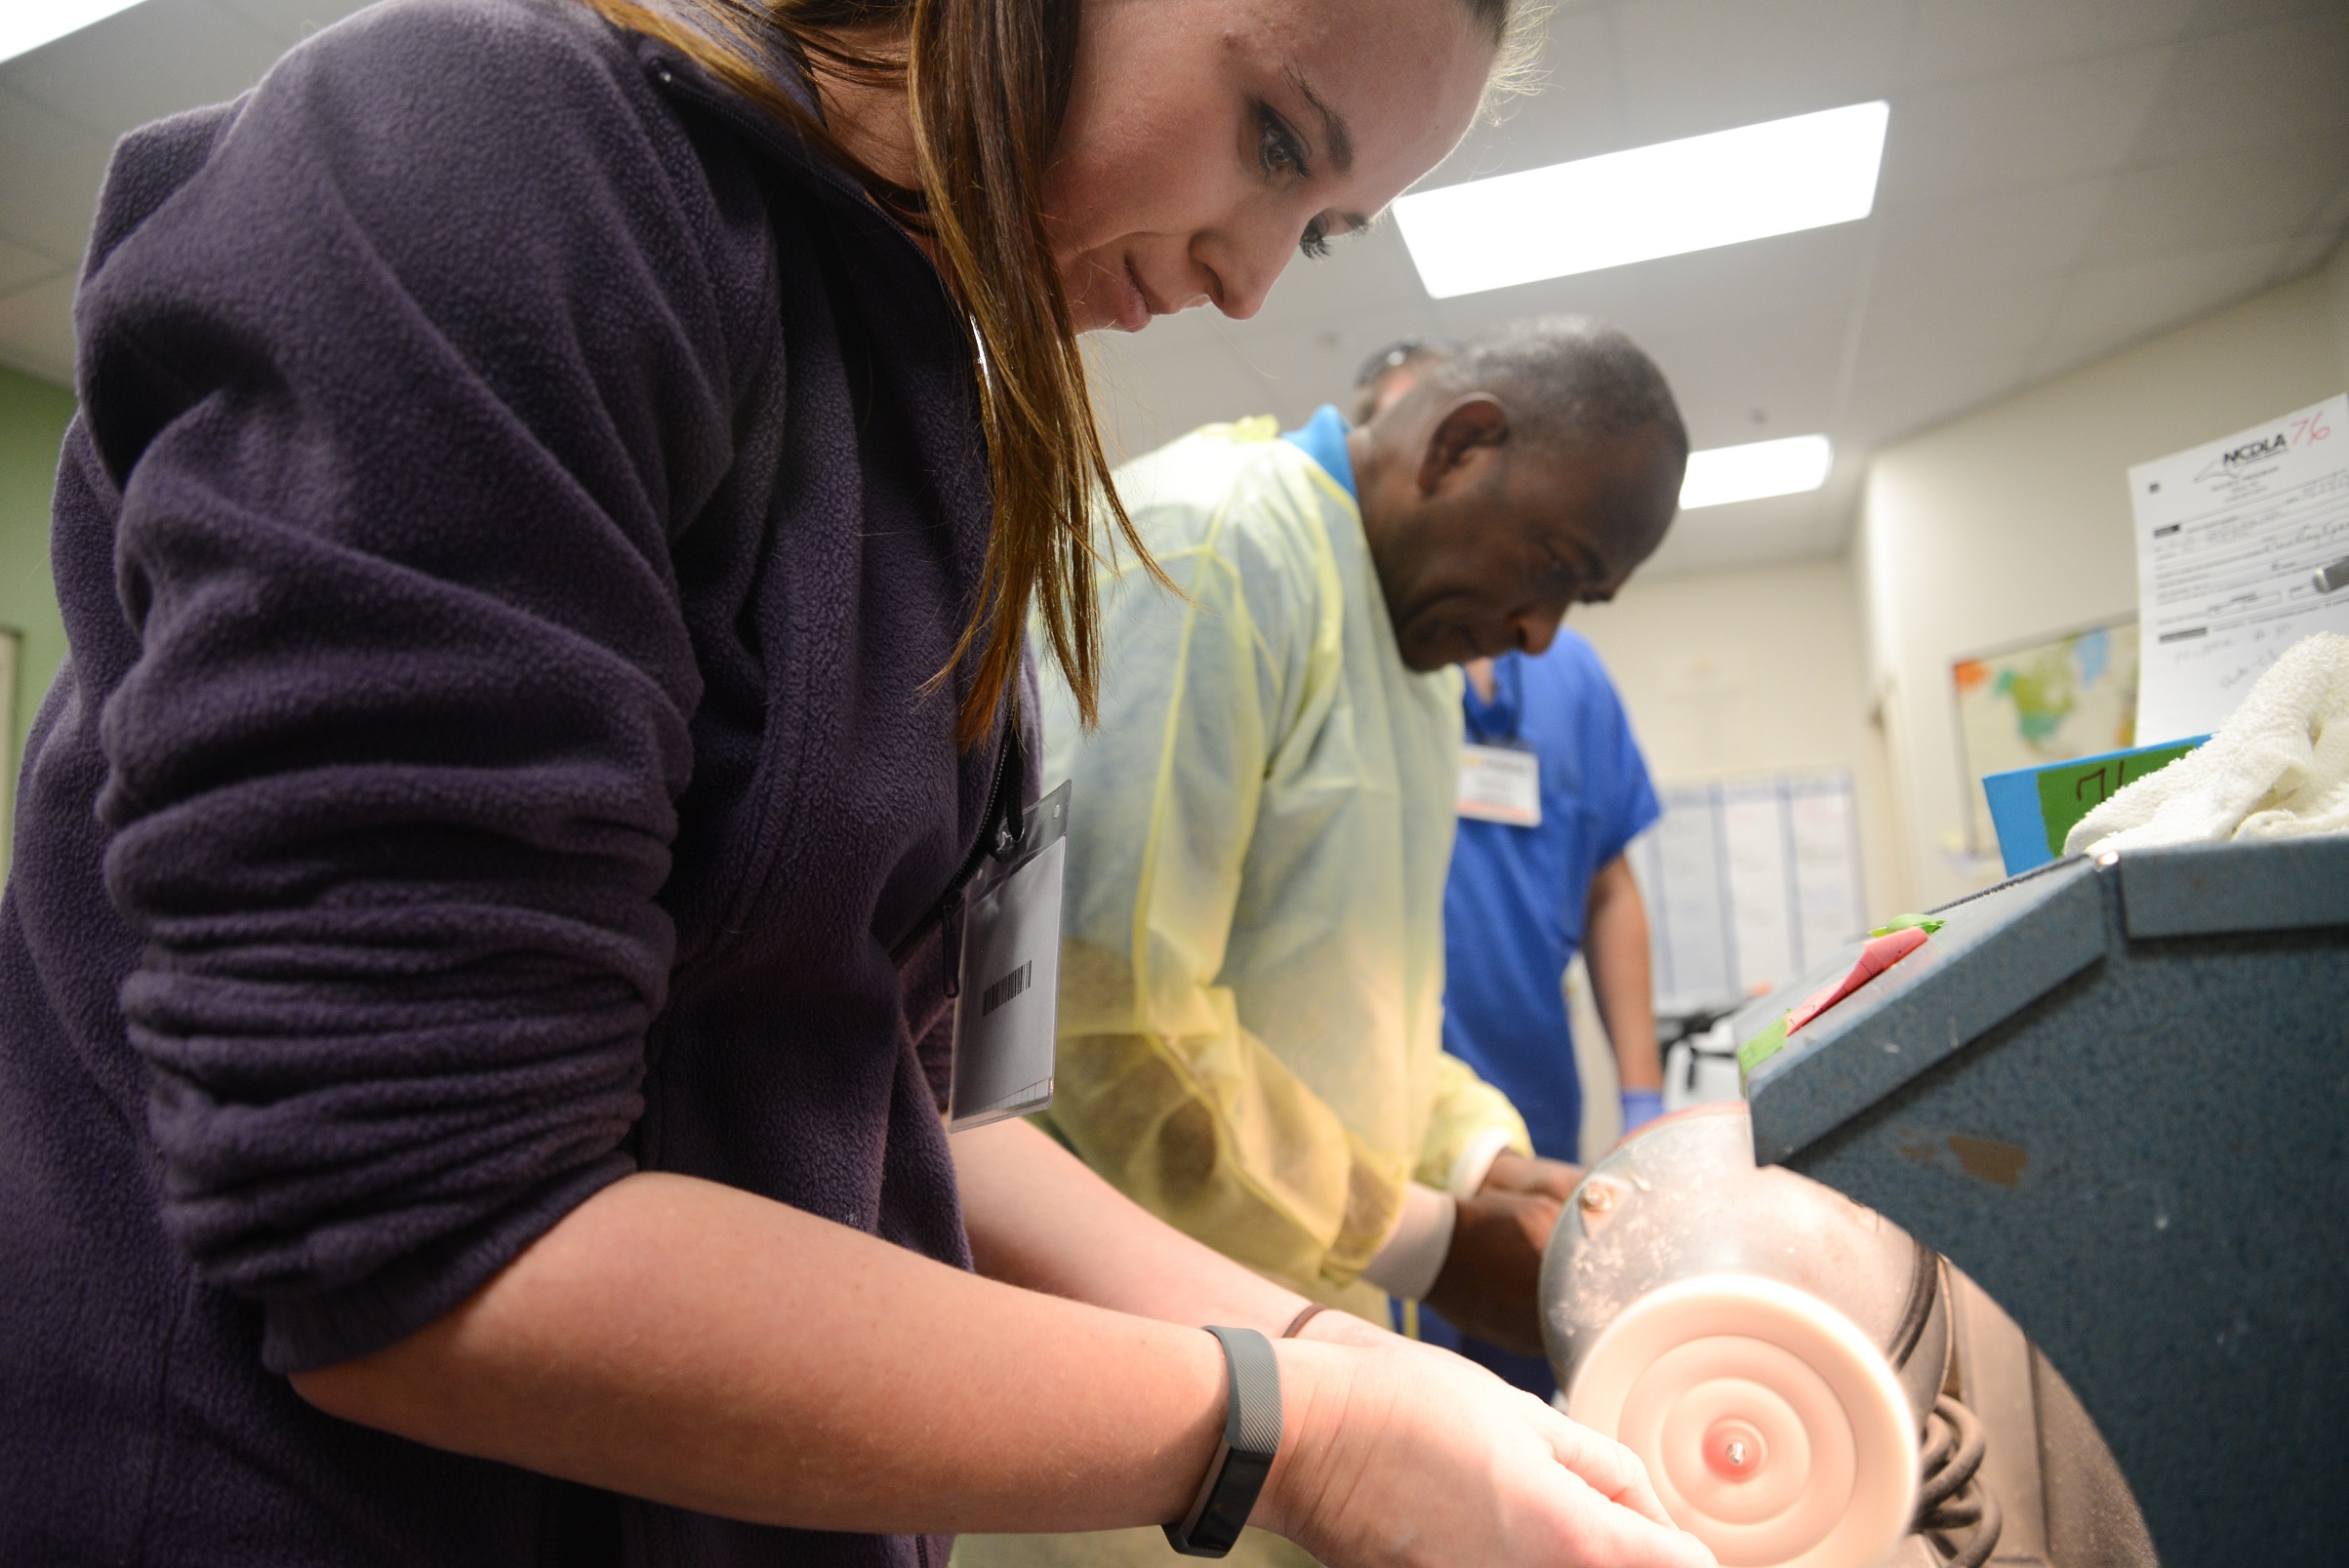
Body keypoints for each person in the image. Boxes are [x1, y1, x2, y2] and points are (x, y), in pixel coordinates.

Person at [0, 0, 1722, 1565]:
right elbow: (415, 1239)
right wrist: (1296, 1433)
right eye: (1275, 138)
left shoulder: (930, 410)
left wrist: (1331, 1349)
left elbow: (915, 1098)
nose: (1256, 279)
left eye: (1322, 221)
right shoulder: (482, 167)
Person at [958, 317, 1686, 1568]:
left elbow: (1365, 1009)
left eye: (1582, 598)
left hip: (1294, 1335)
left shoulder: (1412, 662)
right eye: (1554, 566)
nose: (1539, 634)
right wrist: (1432, 1242)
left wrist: (1483, 1162)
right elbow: (1108, 1029)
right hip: (1127, 1352)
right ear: (1460, 447)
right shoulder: (1219, 547)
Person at [1354, 333, 1674, 1402]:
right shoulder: (1349, 647)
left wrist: (1640, 1094)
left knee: (1539, 1378)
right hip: (1352, 1086)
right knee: (1387, 1391)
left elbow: (1608, 884)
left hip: (1516, 1088)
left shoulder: (1566, 672)